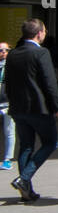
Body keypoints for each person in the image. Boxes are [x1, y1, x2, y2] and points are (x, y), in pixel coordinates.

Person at [7, 19, 58, 201]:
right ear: (39, 33)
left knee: (26, 146)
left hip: (18, 108)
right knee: (50, 142)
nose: (45, 34)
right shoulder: (41, 52)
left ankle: (26, 191)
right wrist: (57, 105)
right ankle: (24, 179)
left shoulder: (13, 54)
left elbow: (8, 82)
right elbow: (50, 82)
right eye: (44, 31)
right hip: (39, 109)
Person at [0, 41, 14, 171]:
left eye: (6, 50)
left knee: (9, 131)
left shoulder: (12, 66)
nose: (3, 52)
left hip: (8, 102)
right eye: (1, 50)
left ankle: (7, 159)